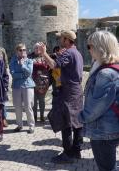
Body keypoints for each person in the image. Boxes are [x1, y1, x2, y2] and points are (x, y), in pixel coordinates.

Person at [38, 30, 83, 164]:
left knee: (66, 123)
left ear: (67, 40)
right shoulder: (77, 52)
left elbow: (53, 65)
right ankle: (76, 151)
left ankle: (68, 154)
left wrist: (44, 52)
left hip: (68, 93)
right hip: (76, 91)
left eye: (61, 38)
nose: (60, 41)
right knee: (77, 122)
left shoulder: (69, 52)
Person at [79, 31, 119, 171]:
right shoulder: (113, 69)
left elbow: (97, 106)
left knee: (106, 168)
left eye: (89, 46)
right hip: (111, 126)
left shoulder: (105, 74)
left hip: (102, 130)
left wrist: (81, 117)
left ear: (99, 47)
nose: (88, 49)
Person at [10, 43, 35, 134]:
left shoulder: (29, 61)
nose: (23, 52)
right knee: (17, 107)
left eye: (24, 50)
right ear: (17, 51)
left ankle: (31, 126)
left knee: (28, 107)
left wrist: (23, 65)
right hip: (16, 86)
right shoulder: (13, 60)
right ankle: (20, 125)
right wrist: (22, 75)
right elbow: (13, 74)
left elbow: (29, 73)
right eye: (20, 50)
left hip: (28, 86)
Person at [30, 43, 50, 123]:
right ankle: (34, 116)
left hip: (43, 82)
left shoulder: (45, 56)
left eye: (39, 48)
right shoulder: (30, 56)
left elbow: (48, 66)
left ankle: (42, 116)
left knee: (42, 100)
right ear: (33, 49)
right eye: (36, 48)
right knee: (34, 100)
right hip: (32, 81)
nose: (37, 49)